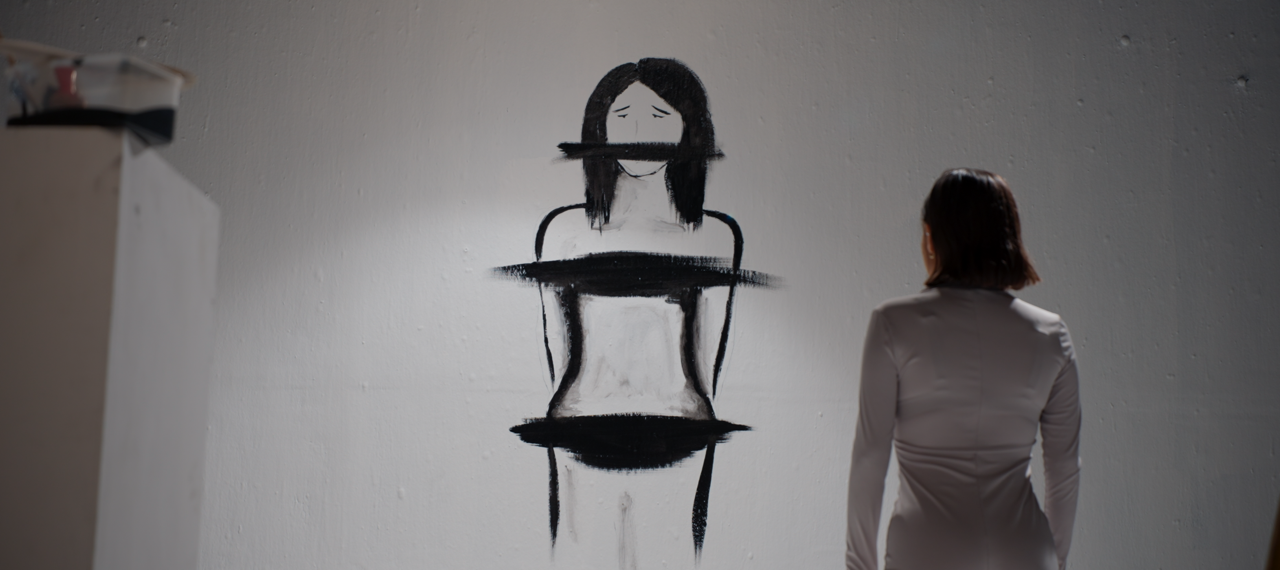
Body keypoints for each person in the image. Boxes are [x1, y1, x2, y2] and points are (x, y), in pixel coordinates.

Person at [846, 169, 1082, 570]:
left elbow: (870, 457)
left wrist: (858, 566)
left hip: (925, 550)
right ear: (1008, 239)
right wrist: (1054, 560)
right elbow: (1064, 469)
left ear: (930, 238)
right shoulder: (1050, 334)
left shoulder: (893, 324)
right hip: (1024, 549)